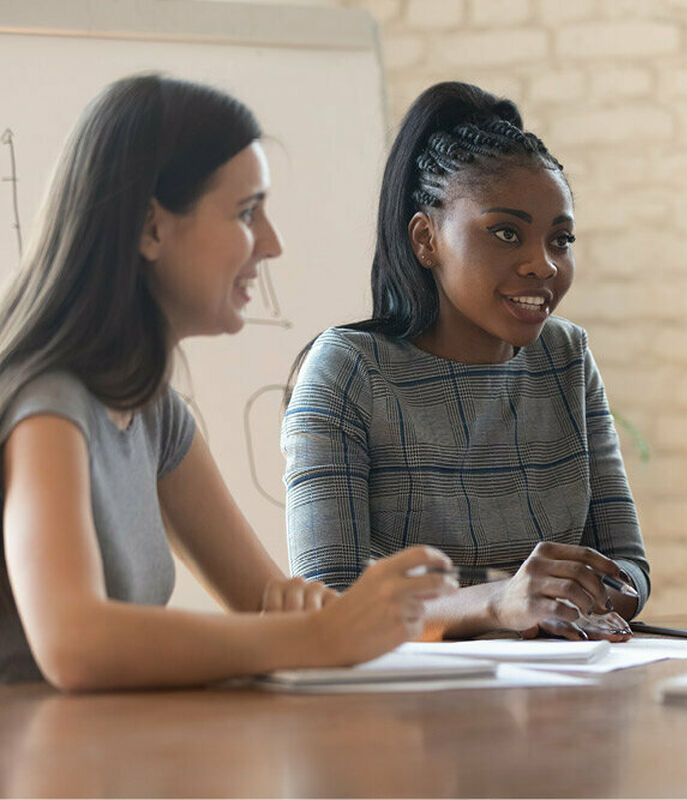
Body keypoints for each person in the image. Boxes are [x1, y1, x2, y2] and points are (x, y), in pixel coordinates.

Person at [0, 75, 457, 691]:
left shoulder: (153, 412)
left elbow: (266, 601)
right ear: (151, 228)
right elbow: (74, 644)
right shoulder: (49, 407)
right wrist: (320, 635)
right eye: (247, 212)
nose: (272, 244)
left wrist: (329, 616)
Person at [283, 81, 650, 642]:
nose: (544, 265)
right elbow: (329, 600)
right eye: (506, 233)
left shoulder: (566, 357)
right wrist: (496, 602)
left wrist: (576, 594)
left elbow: (628, 566)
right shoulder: (348, 370)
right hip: (396, 713)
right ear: (425, 238)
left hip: (555, 693)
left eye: (561, 239)